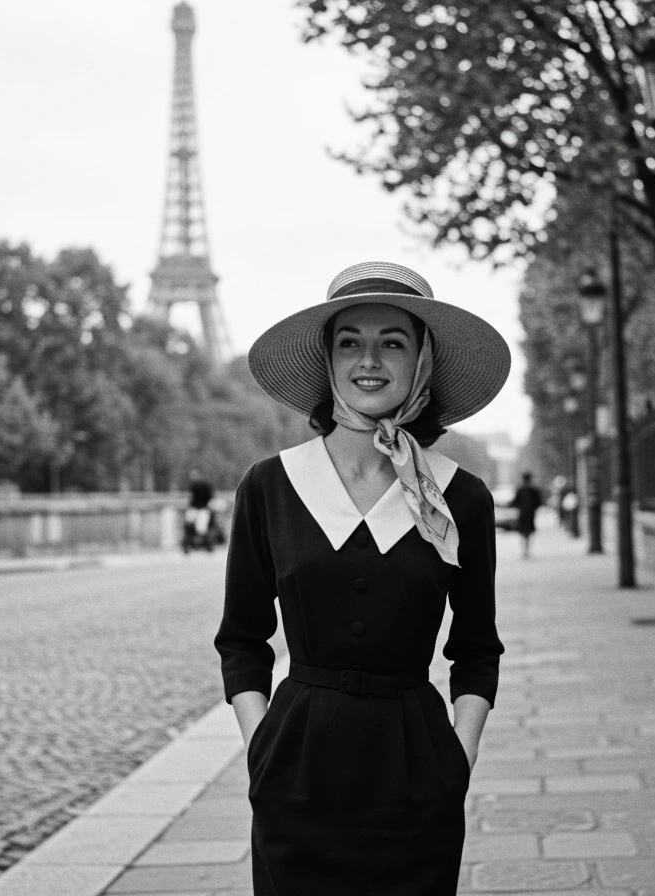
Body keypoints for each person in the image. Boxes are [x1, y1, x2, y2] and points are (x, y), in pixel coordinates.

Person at [214, 261, 509, 894]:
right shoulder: (268, 486)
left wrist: (459, 758)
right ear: (328, 360)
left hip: (416, 770)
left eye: (391, 342)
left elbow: (477, 649)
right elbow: (241, 639)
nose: (368, 360)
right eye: (350, 341)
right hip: (295, 767)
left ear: (421, 360)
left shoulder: (461, 497)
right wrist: (261, 744)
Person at [509, 471, 543, 559]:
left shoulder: (520, 490)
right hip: (531, 514)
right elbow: (538, 502)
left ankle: (524, 550)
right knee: (528, 533)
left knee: (522, 532)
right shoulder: (534, 490)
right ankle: (527, 550)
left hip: (522, 514)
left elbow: (515, 502)